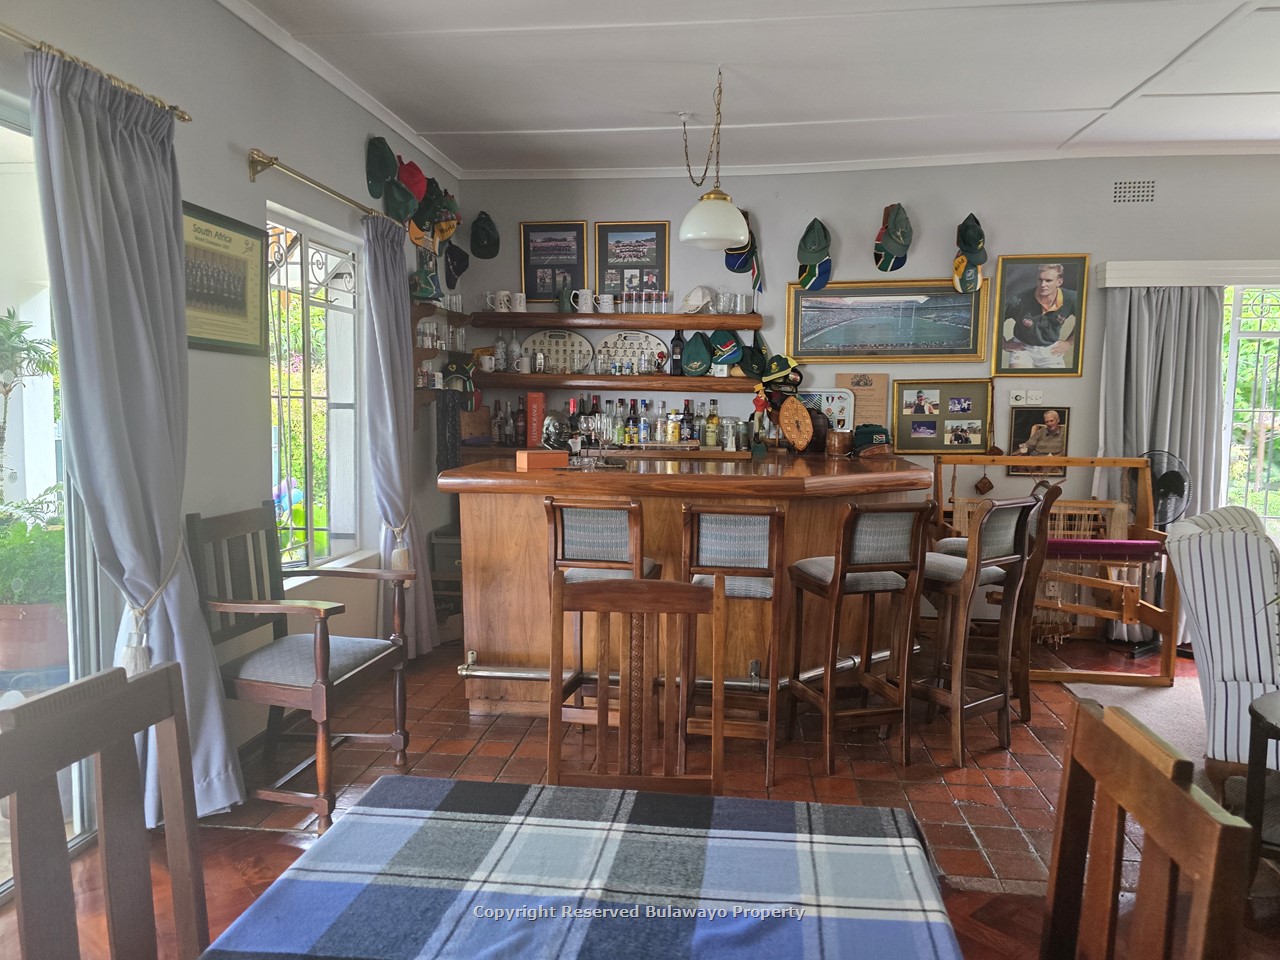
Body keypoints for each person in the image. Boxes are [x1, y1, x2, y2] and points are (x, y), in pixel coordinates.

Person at [1001, 263, 1079, 369]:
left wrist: (1069, 343)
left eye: (1048, 280)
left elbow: (1086, 320)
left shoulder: (1072, 298)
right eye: (1040, 280)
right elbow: (993, 320)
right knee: (1018, 377)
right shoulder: (1019, 299)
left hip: (1051, 349)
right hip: (1022, 347)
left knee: (1057, 380)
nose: (1043, 284)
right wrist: (1003, 343)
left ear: (1059, 282)